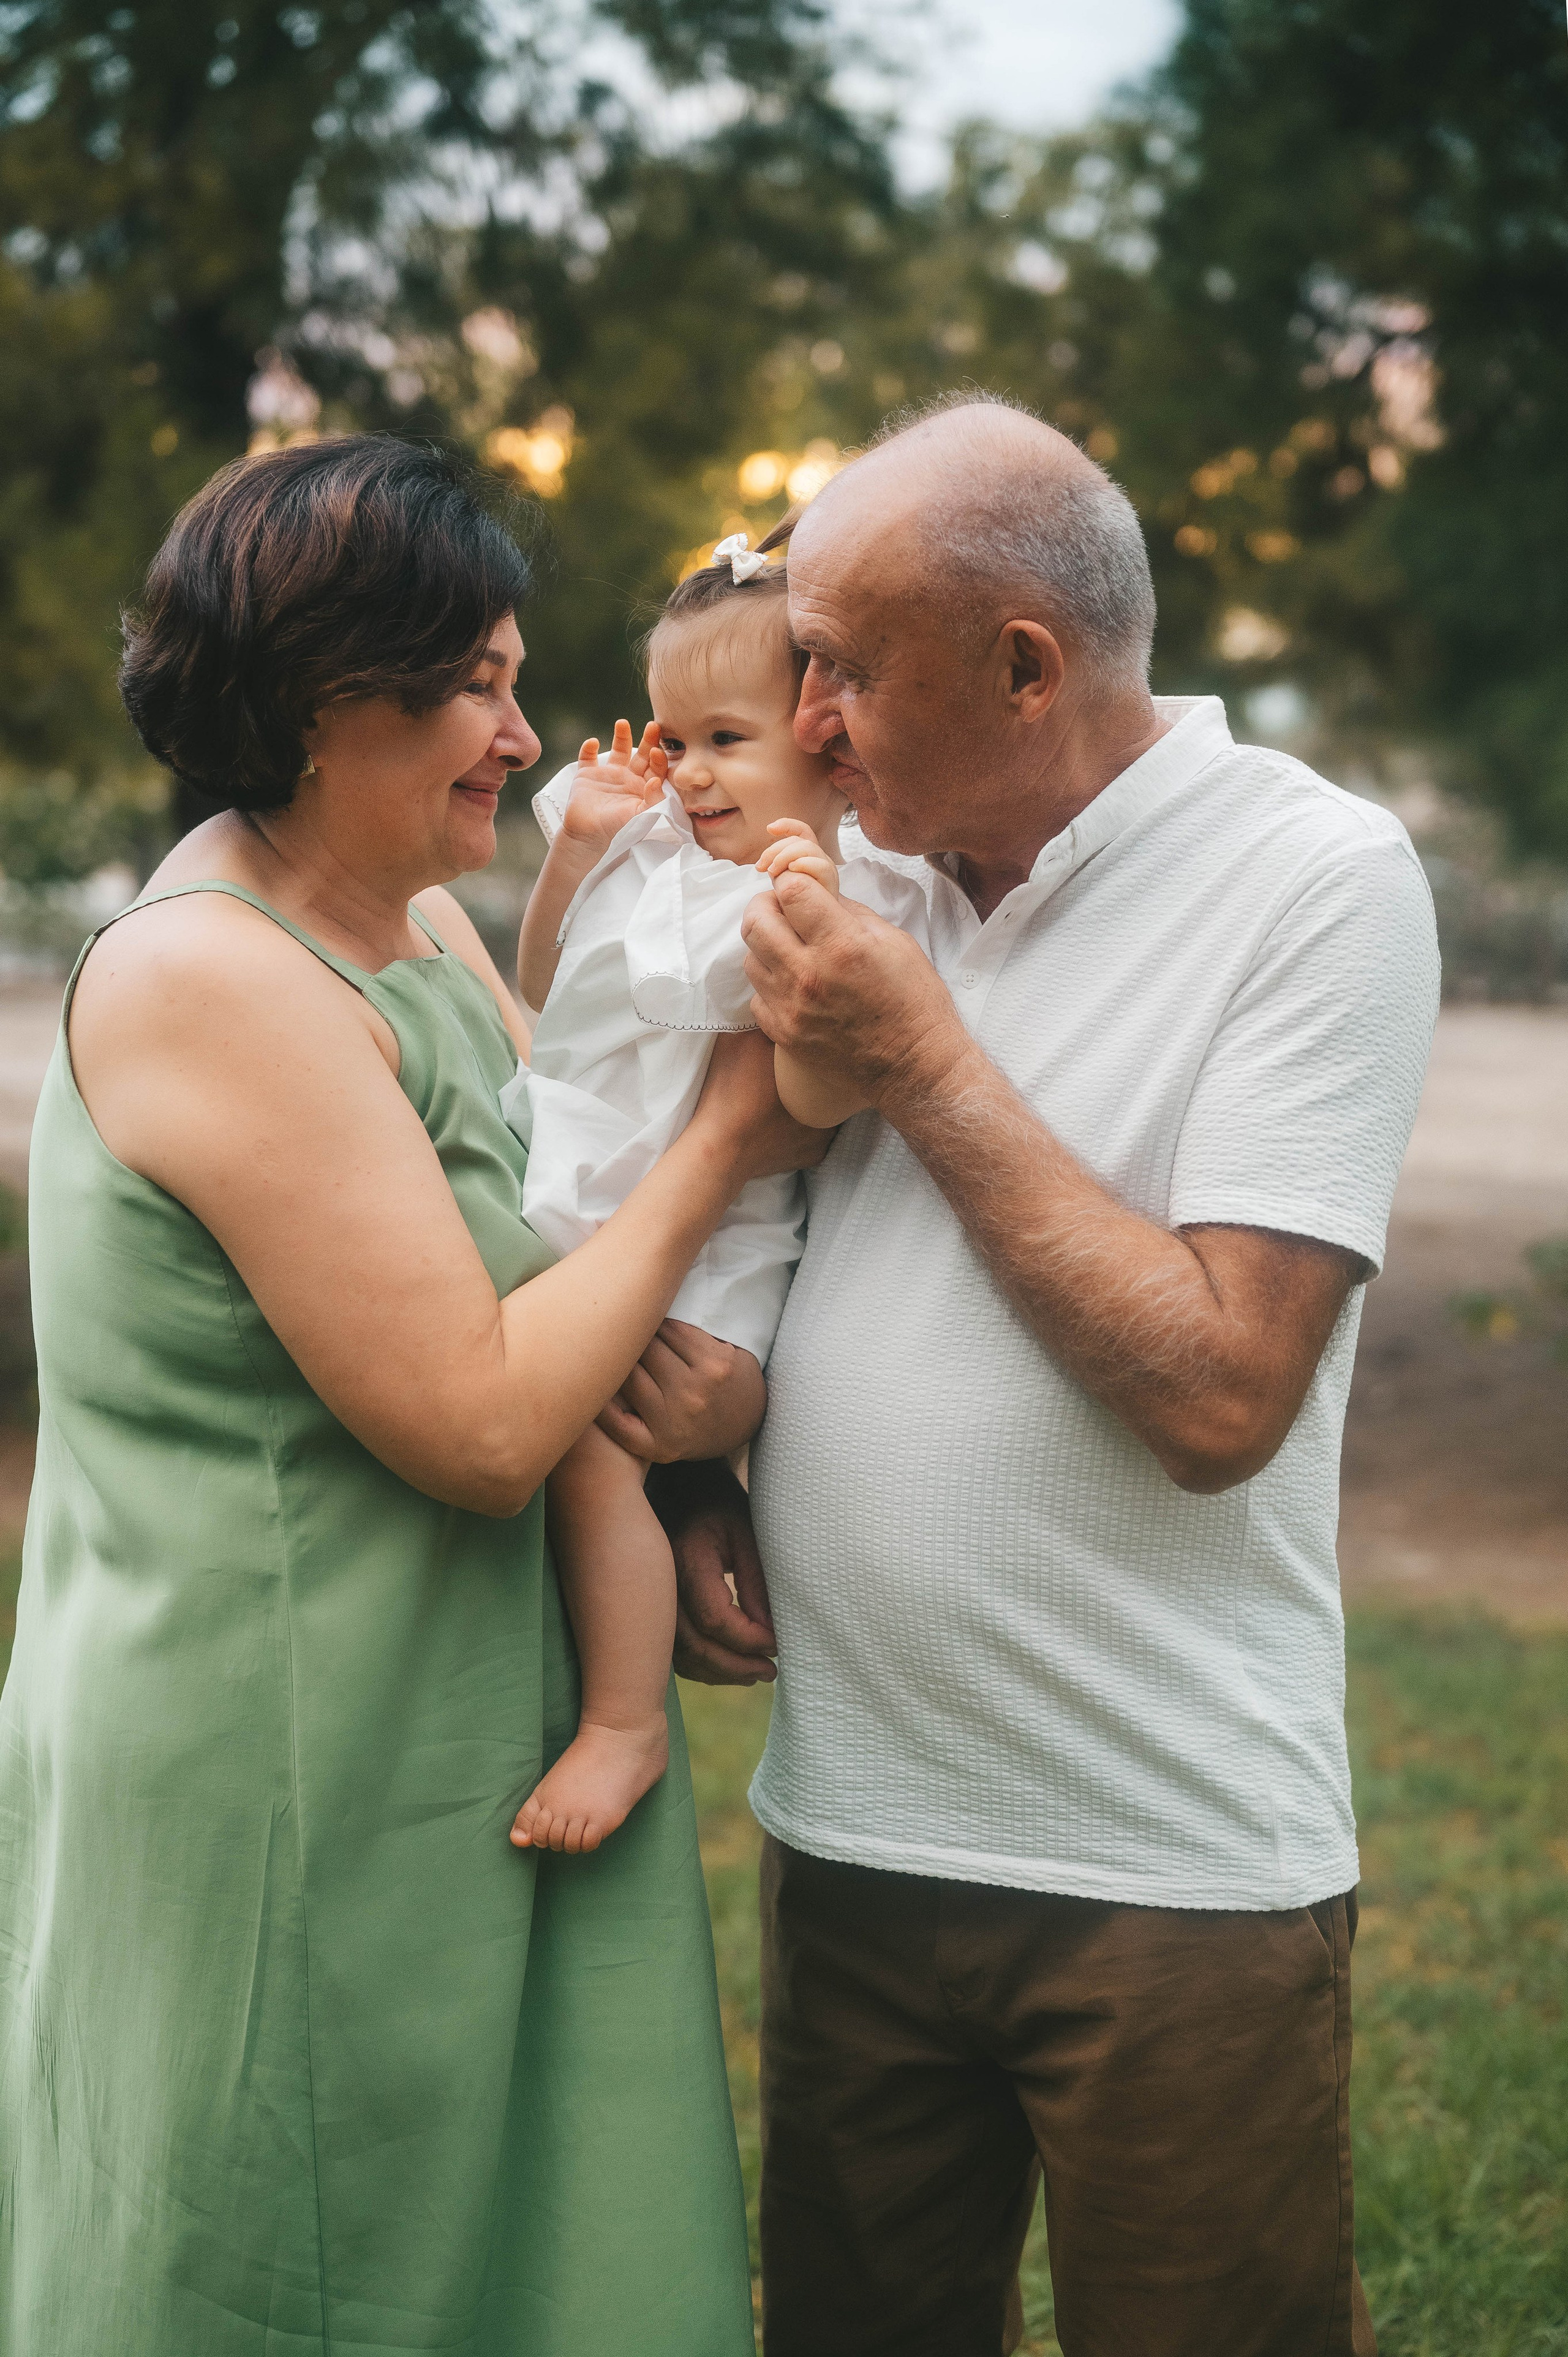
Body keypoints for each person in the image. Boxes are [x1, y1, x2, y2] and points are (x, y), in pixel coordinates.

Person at [0, 436, 816, 2357]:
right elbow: (476, 1414)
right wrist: (733, 1132)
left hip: (484, 1727)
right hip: (298, 1752)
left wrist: (697, 1492)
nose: (523, 740)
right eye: (471, 687)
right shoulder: (210, 975)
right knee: (304, 2259)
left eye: (516, 682)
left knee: (521, 2260)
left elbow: (569, 1231)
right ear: (309, 699)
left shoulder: (425, 925)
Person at [658, 394, 1441, 2357]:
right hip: (851, 1832)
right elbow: (719, 1203)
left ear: (1027, 668)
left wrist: (922, 1058)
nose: (804, 721)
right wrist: (697, 1483)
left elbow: (1219, 1396)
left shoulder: (1317, 883)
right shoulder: (864, 864)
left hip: (1163, 1868)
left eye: (843, 672)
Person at [505, 541, 928, 1854]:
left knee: (590, 1447)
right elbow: (542, 983)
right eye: (671, 735)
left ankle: (625, 1723)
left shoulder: (836, 899)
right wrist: (575, 854)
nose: (684, 771)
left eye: (725, 739)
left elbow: (803, 1105)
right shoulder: (654, 854)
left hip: (714, 1248)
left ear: (825, 748)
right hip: (601, 1192)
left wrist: (807, 921)